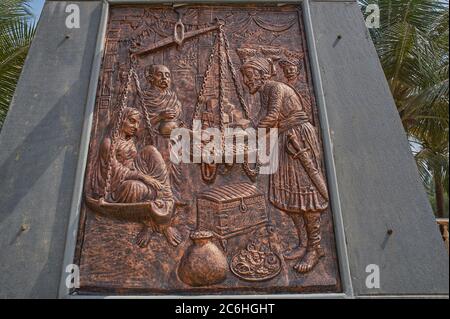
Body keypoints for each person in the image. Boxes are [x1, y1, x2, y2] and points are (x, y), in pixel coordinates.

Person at [240, 57, 329, 273]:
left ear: (262, 74)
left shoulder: (276, 87)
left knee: (307, 194)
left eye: (249, 76)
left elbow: (271, 116)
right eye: (244, 77)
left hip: (298, 138)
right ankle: (303, 243)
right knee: (290, 197)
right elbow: (265, 118)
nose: (246, 81)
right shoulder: (265, 92)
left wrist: (250, 132)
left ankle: (315, 247)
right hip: (286, 138)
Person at [91, 107, 182, 247]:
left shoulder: (131, 137)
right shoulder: (108, 143)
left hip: (136, 173)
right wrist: (144, 178)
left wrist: (159, 116)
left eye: (137, 123)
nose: (135, 127)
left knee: (151, 150)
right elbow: (116, 170)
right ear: (120, 120)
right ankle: (155, 224)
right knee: (134, 187)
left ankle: (167, 202)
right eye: (132, 121)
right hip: (118, 185)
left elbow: (145, 129)